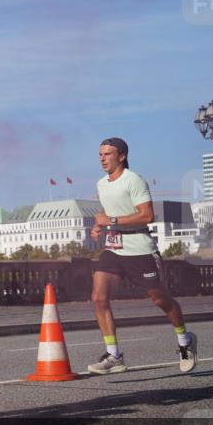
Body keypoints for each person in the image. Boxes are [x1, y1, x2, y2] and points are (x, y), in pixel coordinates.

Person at [88, 137, 198, 374]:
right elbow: (111, 209)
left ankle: (185, 341)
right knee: (98, 298)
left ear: (122, 156)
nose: (102, 159)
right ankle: (114, 355)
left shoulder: (134, 180)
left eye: (107, 154)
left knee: (161, 300)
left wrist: (112, 220)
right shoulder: (101, 184)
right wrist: (101, 224)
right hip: (114, 249)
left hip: (140, 250)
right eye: (100, 154)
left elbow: (147, 215)